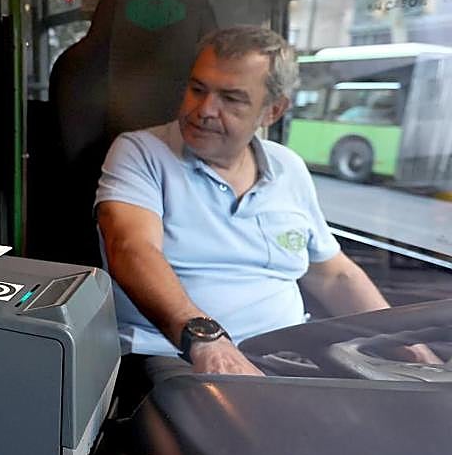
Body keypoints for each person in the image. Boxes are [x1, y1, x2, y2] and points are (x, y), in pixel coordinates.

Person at [95, 27, 407, 380]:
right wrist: (206, 340)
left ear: (272, 111)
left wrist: (401, 343)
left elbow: (335, 275)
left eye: (231, 99)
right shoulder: (141, 153)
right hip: (176, 359)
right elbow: (131, 248)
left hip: (290, 356)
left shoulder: (288, 167)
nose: (204, 110)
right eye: (197, 89)